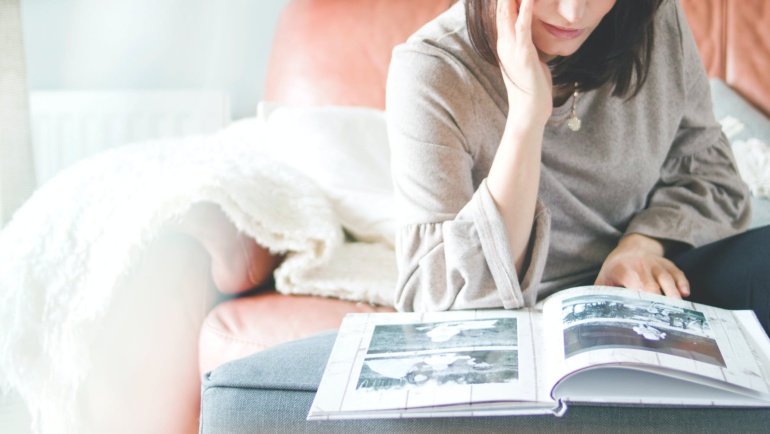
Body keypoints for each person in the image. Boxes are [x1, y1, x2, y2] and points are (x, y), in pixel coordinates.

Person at [386, 0, 770, 334]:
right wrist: (525, 119)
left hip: (647, 283)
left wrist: (640, 247)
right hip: (527, 318)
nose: (573, 13)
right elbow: (437, 302)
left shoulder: (650, 17)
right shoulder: (432, 70)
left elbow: (712, 176)